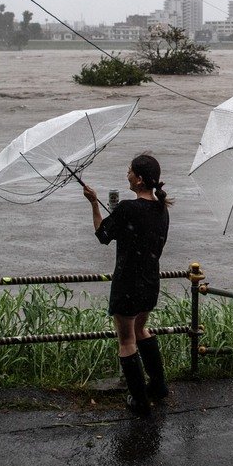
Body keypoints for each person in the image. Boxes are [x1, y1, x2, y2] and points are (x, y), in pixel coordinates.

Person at [82, 153, 171, 416]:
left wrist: (94, 205)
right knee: (142, 329)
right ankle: (158, 386)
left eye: (130, 170)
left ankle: (139, 400)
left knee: (126, 340)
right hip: (150, 281)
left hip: (127, 282)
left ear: (140, 179)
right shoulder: (161, 209)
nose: (127, 174)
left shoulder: (127, 209)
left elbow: (103, 235)